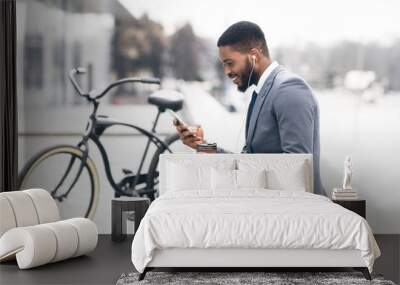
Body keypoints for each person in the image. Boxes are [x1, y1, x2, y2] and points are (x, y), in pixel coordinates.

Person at [174, 21, 325, 196]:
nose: (226, 71)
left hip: (296, 214)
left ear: (254, 55)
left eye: (230, 63)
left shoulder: (288, 88)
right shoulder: (261, 93)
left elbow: (297, 170)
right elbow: (248, 161)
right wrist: (202, 146)